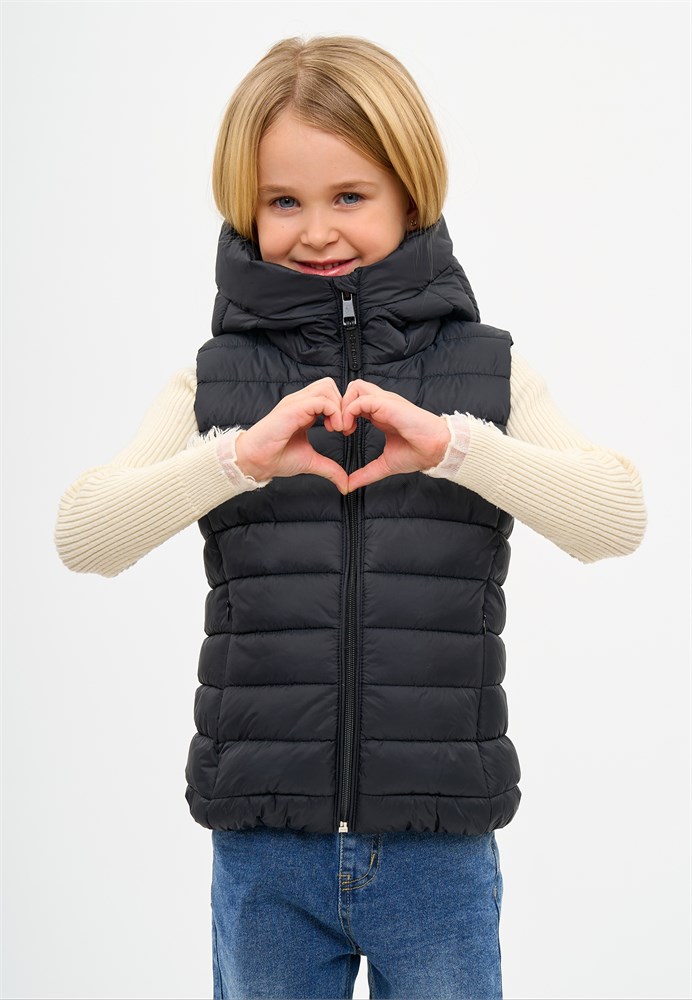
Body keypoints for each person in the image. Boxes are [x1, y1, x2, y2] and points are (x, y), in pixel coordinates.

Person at [54, 34, 648, 1000]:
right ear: (245, 207)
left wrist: (456, 447)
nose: (317, 231)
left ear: (410, 195)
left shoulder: (486, 372)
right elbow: (84, 533)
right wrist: (236, 460)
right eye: (284, 201)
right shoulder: (214, 383)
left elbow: (617, 516)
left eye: (350, 196)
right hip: (265, 853)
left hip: (437, 850)